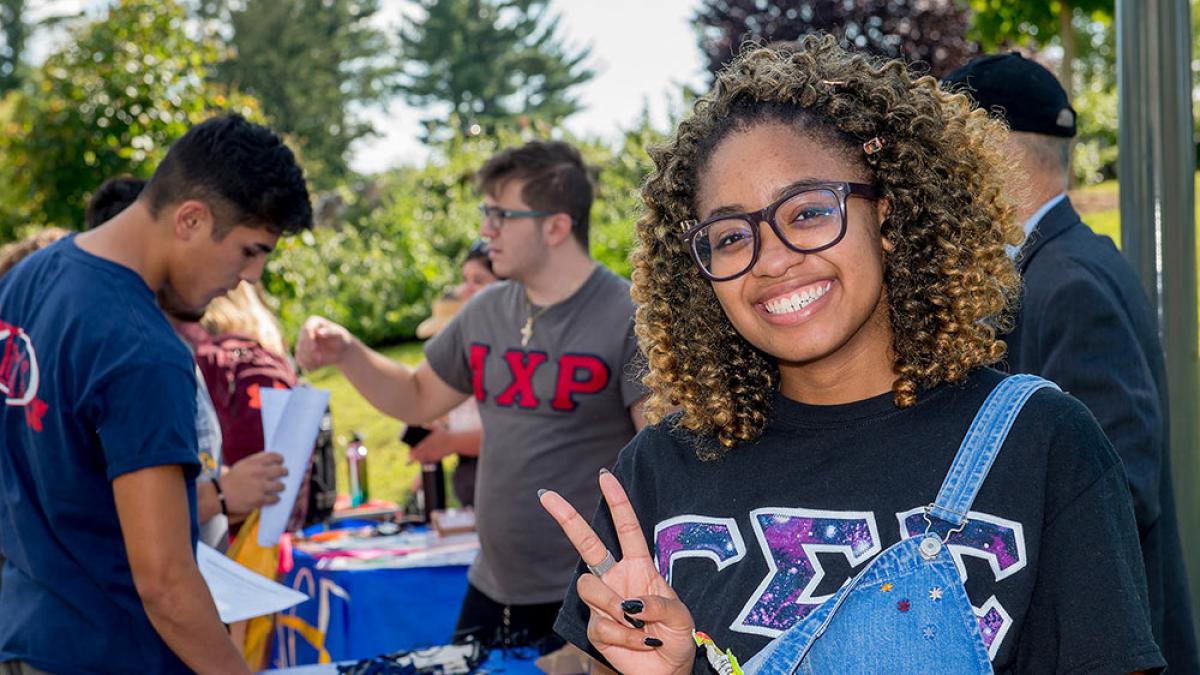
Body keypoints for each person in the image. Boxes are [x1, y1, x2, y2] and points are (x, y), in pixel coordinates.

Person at [541, 37, 1163, 674]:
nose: (774, 258)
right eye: (731, 236)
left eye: (809, 211)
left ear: (888, 217)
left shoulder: (1042, 446)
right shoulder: (658, 471)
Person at [296, 141, 648, 649]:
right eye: (488, 213)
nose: (486, 230)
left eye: (501, 215)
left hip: (586, 601)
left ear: (555, 226)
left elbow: (663, 458)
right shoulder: (486, 311)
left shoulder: (627, 317)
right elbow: (418, 397)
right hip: (490, 588)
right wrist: (348, 351)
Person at [0, 113, 312, 674]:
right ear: (191, 218)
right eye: (249, 250)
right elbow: (166, 584)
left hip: (26, 639)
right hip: (114, 655)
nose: (250, 277)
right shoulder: (143, 349)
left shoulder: (29, 278)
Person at [942, 52, 1199, 673]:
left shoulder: (1064, 284)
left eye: (947, 145)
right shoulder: (1069, 261)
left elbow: (1120, 490)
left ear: (990, 149)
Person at [84, 176, 289, 552]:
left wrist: (228, 479)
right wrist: (222, 494)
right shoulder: (131, 357)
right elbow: (119, 508)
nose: (245, 276)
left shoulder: (170, 343)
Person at [409, 240, 501, 507]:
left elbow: (510, 431)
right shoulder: (471, 348)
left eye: (478, 280)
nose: (464, 291)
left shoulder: (513, 353)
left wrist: (450, 442)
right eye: (465, 279)